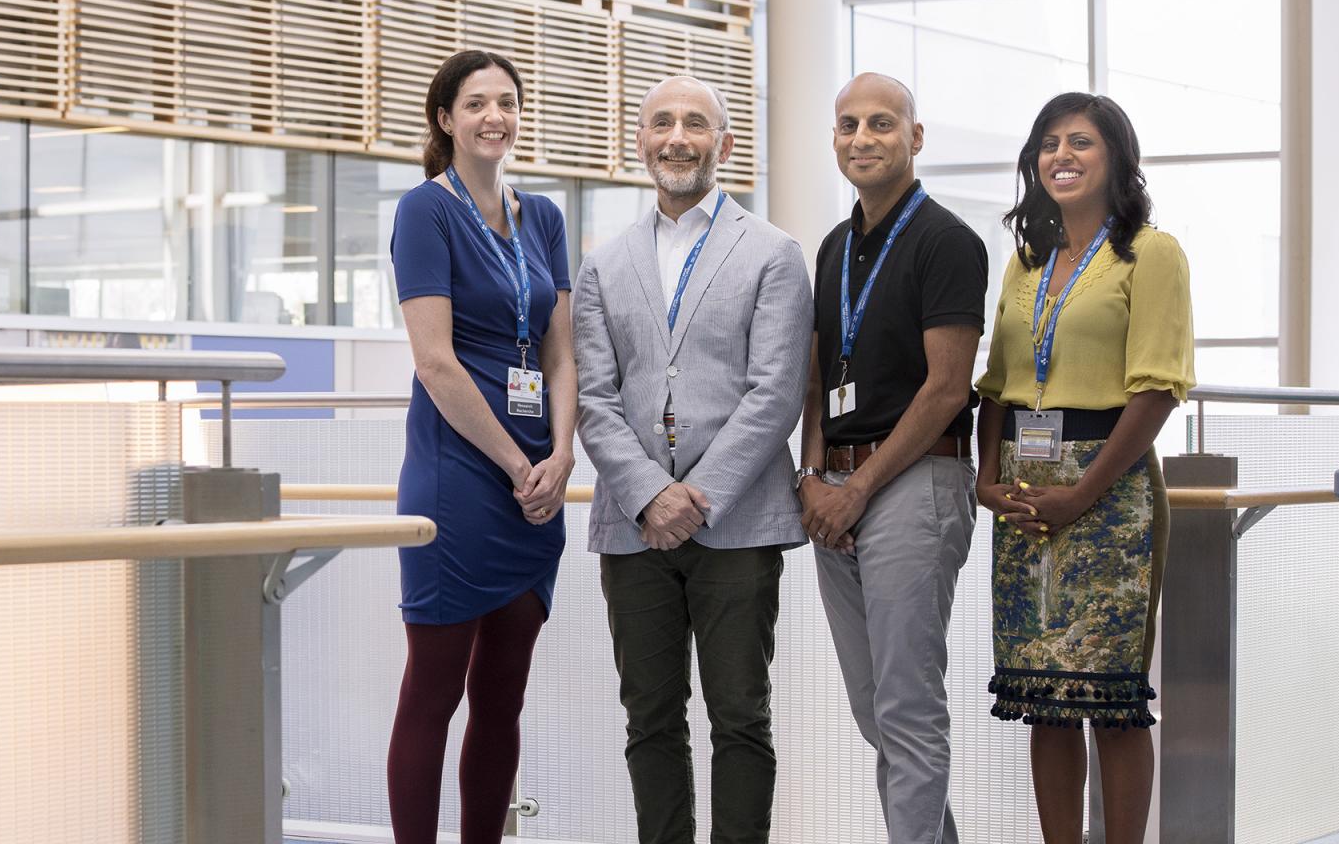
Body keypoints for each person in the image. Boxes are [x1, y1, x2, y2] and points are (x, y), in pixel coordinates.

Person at [573, 75, 812, 844]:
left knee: (740, 715)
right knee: (650, 718)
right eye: (661, 123)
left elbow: (776, 392)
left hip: (737, 522)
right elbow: (593, 399)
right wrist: (650, 493)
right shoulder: (603, 266)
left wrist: (697, 494)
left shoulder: (774, 254)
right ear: (639, 142)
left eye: (696, 124)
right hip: (632, 526)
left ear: (726, 145)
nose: (677, 137)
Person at [976, 92, 1194, 844]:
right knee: (1046, 694)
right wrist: (983, 479)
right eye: (1049, 143)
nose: (1061, 156)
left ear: (1117, 159)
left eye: (1082, 143)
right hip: (1025, 494)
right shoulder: (1027, 261)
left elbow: (1159, 388)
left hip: (1111, 489)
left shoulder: (1150, 253)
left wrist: (1081, 493)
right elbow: (997, 387)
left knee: (1111, 695)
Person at [386, 49, 577, 844]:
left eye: (506, 101)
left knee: (504, 695)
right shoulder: (423, 212)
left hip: (540, 479)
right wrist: (515, 463)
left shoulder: (546, 219)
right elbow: (435, 360)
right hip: (461, 477)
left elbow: (562, 350)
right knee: (435, 690)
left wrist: (564, 454)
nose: (493, 116)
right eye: (475, 104)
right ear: (445, 119)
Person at [797, 72, 987, 844]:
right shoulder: (837, 246)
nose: (862, 138)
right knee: (875, 706)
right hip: (837, 483)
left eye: (881, 123)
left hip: (914, 480)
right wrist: (812, 474)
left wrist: (858, 488)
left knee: (907, 708)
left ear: (915, 137)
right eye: (847, 125)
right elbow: (818, 373)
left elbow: (946, 390)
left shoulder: (947, 241)